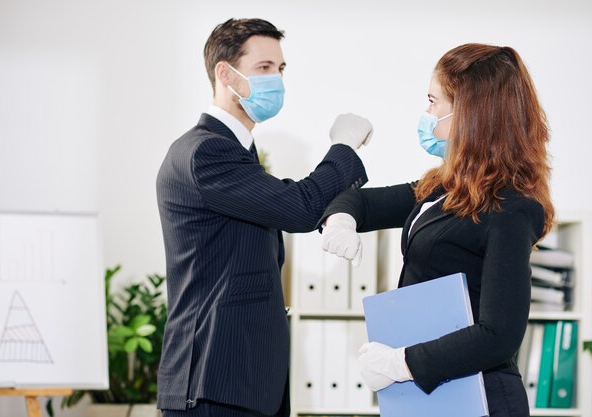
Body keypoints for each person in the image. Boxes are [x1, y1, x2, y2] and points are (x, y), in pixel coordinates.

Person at [320, 43, 554, 417]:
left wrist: (402, 363)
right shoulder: (443, 187)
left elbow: (500, 335)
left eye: (433, 101)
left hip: (479, 395)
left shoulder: (512, 208)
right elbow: (361, 203)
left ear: (471, 114)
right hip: (432, 394)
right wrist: (341, 221)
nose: (426, 113)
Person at [156, 18, 373, 417]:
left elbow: (283, 200)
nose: (277, 80)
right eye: (264, 68)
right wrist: (343, 148)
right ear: (226, 73)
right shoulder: (207, 152)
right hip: (215, 384)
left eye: (281, 69)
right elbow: (296, 206)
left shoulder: (234, 154)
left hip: (240, 384)